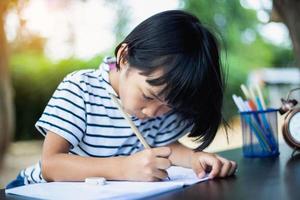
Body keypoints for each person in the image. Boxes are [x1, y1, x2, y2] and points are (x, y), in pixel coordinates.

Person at [6, 10, 237, 189]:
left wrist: (196, 159)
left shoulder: (161, 107)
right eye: (148, 96)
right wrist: (124, 168)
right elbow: (51, 165)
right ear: (124, 57)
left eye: (169, 106)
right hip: (35, 190)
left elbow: (166, 146)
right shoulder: (81, 89)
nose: (153, 112)